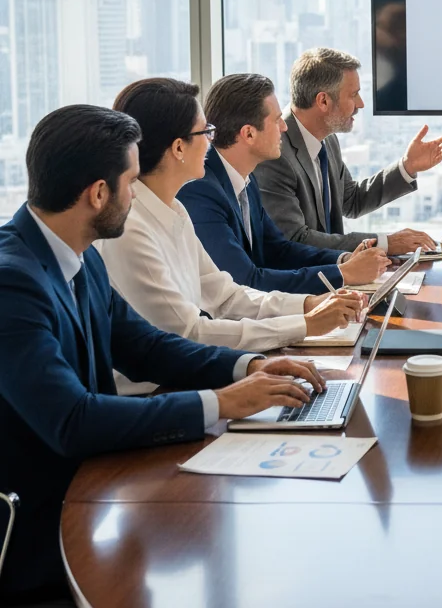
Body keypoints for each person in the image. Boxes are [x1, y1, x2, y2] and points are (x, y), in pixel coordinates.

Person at [0, 104, 328, 608]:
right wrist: (222, 403)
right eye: (131, 182)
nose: (138, 195)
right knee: (218, 571)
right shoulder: (13, 284)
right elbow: (73, 420)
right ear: (98, 194)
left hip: (92, 485)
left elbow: (147, 347)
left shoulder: (78, 257)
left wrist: (249, 366)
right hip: (39, 520)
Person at [97, 79, 366, 391]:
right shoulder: (132, 228)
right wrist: (304, 324)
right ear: (178, 148)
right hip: (156, 399)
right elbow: (190, 333)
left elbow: (226, 297)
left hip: (188, 382)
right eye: (205, 133)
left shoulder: (174, 210)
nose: (212, 143)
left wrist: (309, 304)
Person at [178, 73, 388, 295]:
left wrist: (344, 259)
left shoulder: (245, 180)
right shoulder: (201, 191)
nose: (284, 127)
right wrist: (343, 274)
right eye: (276, 120)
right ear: (248, 133)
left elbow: (279, 250)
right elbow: (243, 281)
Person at [254, 48, 442, 255]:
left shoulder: (326, 138)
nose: (361, 104)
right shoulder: (275, 152)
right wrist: (384, 243)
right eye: (354, 95)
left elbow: (351, 201)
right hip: (306, 281)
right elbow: (295, 239)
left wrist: (407, 166)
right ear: (323, 101)